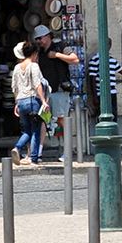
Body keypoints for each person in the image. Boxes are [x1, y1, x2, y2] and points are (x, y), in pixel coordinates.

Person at [33, 23, 79, 158]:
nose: (39, 41)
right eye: (37, 39)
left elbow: (75, 59)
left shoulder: (60, 46)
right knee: (42, 120)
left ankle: (67, 151)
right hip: (46, 93)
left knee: (62, 120)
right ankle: (38, 151)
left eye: (40, 38)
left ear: (48, 36)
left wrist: (57, 55)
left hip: (60, 90)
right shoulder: (40, 52)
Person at [10, 41, 48, 165]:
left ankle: (17, 148)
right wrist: (43, 101)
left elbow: (14, 87)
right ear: (34, 53)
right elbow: (37, 84)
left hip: (21, 101)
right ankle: (33, 157)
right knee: (35, 130)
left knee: (26, 131)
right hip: (33, 101)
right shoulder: (34, 66)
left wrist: (17, 102)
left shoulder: (17, 68)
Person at [87, 38, 122, 118]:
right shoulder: (95, 60)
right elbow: (92, 79)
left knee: (113, 116)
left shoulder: (112, 60)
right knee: (102, 117)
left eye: (108, 45)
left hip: (112, 93)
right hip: (101, 94)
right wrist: (95, 97)